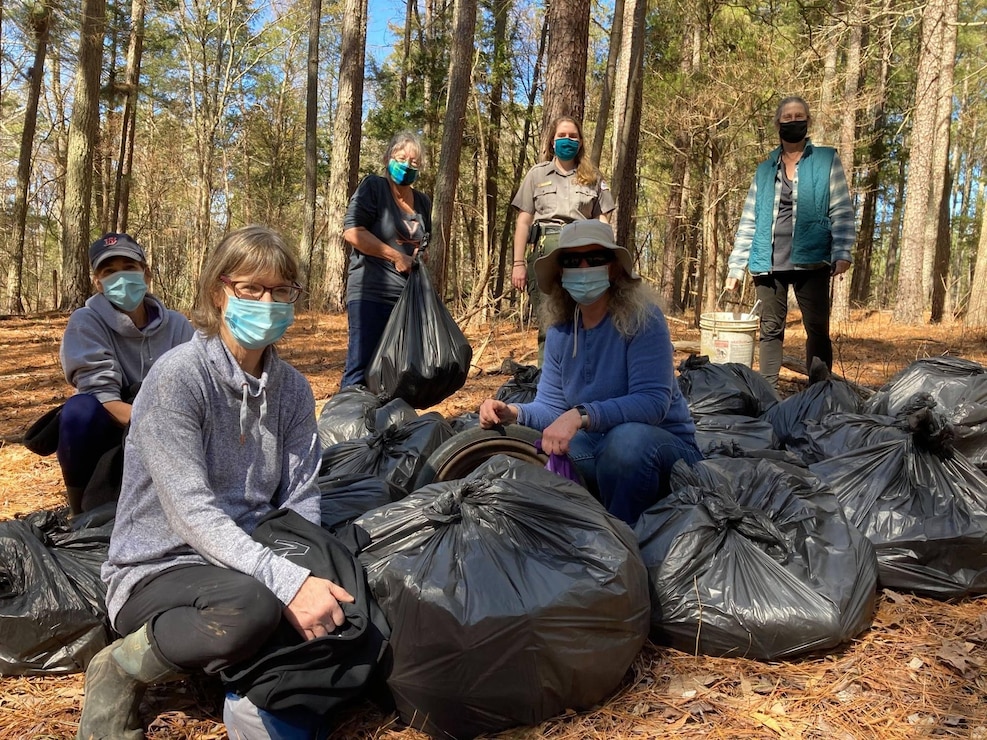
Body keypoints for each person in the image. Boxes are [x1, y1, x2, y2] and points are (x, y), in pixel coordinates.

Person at [76, 225, 354, 740]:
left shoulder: (291, 389)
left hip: (248, 555)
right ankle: (122, 667)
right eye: (251, 288)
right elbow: (191, 513)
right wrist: (286, 582)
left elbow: (300, 499)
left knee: (340, 592)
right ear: (219, 291)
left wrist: (303, 568)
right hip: (161, 565)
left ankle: (242, 686)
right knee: (252, 607)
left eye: (280, 291)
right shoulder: (179, 377)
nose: (266, 302)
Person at [480, 220, 701, 525]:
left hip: (662, 449)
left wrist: (581, 415)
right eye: (572, 261)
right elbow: (552, 409)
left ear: (613, 268)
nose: (583, 267)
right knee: (537, 453)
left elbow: (653, 402)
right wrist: (513, 412)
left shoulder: (643, 320)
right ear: (561, 273)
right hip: (599, 445)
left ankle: (623, 542)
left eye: (595, 259)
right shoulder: (560, 331)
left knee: (624, 444)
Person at [725, 95, 856, 389]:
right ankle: (768, 398)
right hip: (768, 261)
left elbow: (841, 208)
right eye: (787, 118)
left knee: (817, 329)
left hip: (812, 257)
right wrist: (736, 268)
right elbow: (749, 220)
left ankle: (819, 393)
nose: (793, 122)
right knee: (770, 330)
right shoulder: (764, 169)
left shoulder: (825, 160)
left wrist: (842, 250)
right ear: (778, 125)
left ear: (807, 122)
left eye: (799, 117)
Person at [57, 233, 193, 514]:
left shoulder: (178, 326)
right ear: (97, 282)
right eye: (109, 271)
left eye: (129, 268)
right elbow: (102, 396)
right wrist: (153, 421)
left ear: (146, 272)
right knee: (79, 412)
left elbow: (196, 384)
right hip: (114, 423)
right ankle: (78, 511)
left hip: (174, 425)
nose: (121, 277)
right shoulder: (86, 322)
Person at [511, 115, 615, 363]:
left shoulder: (593, 177)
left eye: (573, 136)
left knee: (587, 319)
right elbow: (524, 221)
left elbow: (604, 221)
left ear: (580, 142)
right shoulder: (537, 175)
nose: (567, 140)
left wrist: (606, 259)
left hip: (584, 255)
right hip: (547, 251)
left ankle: (587, 381)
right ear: (552, 141)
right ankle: (547, 387)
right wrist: (517, 264)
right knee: (551, 323)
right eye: (562, 136)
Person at [341, 130, 432, 388]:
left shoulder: (423, 202)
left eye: (414, 162)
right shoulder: (374, 187)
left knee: (398, 370)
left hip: (407, 299)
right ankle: (348, 424)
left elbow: (424, 245)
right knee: (361, 366)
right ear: (387, 158)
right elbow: (353, 232)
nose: (407, 165)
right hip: (371, 293)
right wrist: (395, 256)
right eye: (401, 158)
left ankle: (389, 424)